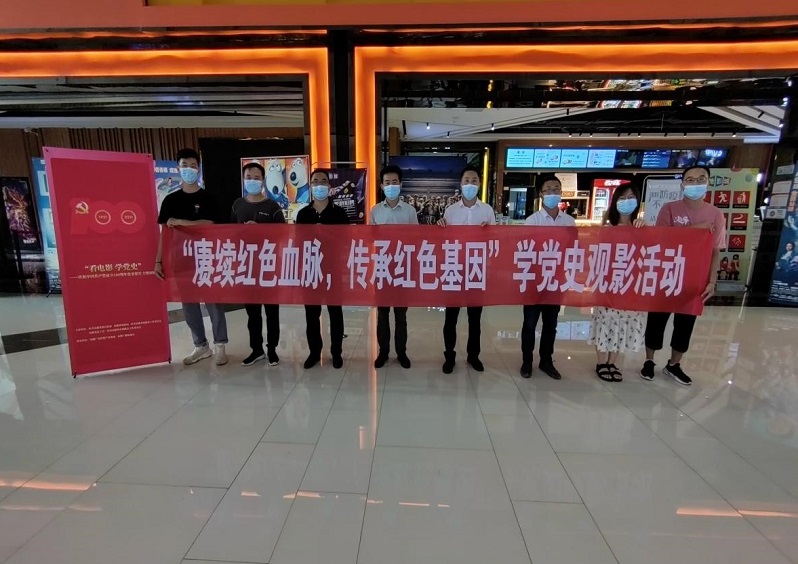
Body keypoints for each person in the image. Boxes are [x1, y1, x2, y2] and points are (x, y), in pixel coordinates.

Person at [641, 165, 726, 386]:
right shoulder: (669, 209)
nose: (695, 183)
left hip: (695, 277)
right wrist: (698, 228)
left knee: (685, 322)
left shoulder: (716, 215)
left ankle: (674, 364)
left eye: (701, 179)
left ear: (708, 182)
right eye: (690, 179)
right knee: (657, 319)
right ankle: (649, 360)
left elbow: (715, 250)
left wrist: (712, 280)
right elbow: (663, 237)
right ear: (682, 184)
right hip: (666, 273)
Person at [155, 148, 229, 366]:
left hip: (208, 257)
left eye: (193, 165)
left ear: (199, 169)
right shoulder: (170, 200)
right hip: (181, 259)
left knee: (214, 303)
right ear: (178, 169)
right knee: (189, 305)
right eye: (184, 165)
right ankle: (201, 346)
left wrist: (181, 222)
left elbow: (210, 224)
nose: (189, 169)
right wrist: (158, 260)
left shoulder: (208, 198)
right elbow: (164, 234)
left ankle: (220, 345)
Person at [437, 166, 496, 374]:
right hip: (454, 268)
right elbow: (443, 241)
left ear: (479, 184)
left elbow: (495, 241)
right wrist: (440, 227)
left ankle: (473, 356)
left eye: (474, 180)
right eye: (466, 180)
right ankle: (449, 356)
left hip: (476, 270)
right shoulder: (451, 211)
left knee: (475, 318)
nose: (470, 184)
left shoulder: (487, 211)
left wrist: (489, 232)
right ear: (460, 184)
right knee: (450, 318)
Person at [588, 184, 647, 382]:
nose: (626, 201)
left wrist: (645, 228)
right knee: (605, 322)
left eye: (631, 197)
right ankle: (601, 362)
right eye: (622, 198)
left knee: (623, 324)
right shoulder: (606, 229)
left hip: (630, 286)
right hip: (608, 286)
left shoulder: (641, 229)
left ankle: (612, 362)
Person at [520, 174, 575, 380]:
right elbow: (525, 250)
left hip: (556, 280)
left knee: (551, 324)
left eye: (556, 189)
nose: (553, 193)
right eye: (548, 189)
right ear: (541, 194)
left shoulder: (569, 222)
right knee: (529, 324)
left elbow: (573, 250)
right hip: (535, 281)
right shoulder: (532, 221)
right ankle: (527, 361)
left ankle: (546, 361)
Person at [232, 162, 286, 367]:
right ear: (243, 179)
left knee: (272, 312)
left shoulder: (272, 206)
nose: (252, 181)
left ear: (263, 181)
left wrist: (260, 230)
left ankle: (272, 350)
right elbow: (229, 233)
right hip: (246, 267)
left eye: (256, 178)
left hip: (269, 266)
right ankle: (256, 349)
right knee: (252, 313)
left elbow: (283, 235)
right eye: (248, 177)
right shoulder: (237, 204)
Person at [295, 169, 349, 370]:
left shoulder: (339, 213)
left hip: (333, 269)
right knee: (311, 314)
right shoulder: (303, 214)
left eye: (323, 181)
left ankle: (336, 353)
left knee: (335, 313)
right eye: (315, 181)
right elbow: (298, 242)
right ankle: (314, 352)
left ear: (329, 186)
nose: (319, 185)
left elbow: (346, 240)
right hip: (310, 270)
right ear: (310, 185)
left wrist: (326, 235)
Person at [370, 165, 418, 370]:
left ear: (401, 184)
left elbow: (416, 239)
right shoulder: (375, 211)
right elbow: (370, 239)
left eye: (395, 182)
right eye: (387, 182)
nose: (391, 186)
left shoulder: (409, 211)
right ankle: (383, 352)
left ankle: (401, 352)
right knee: (382, 314)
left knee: (401, 315)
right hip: (382, 268)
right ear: (382, 186)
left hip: (402, 269)